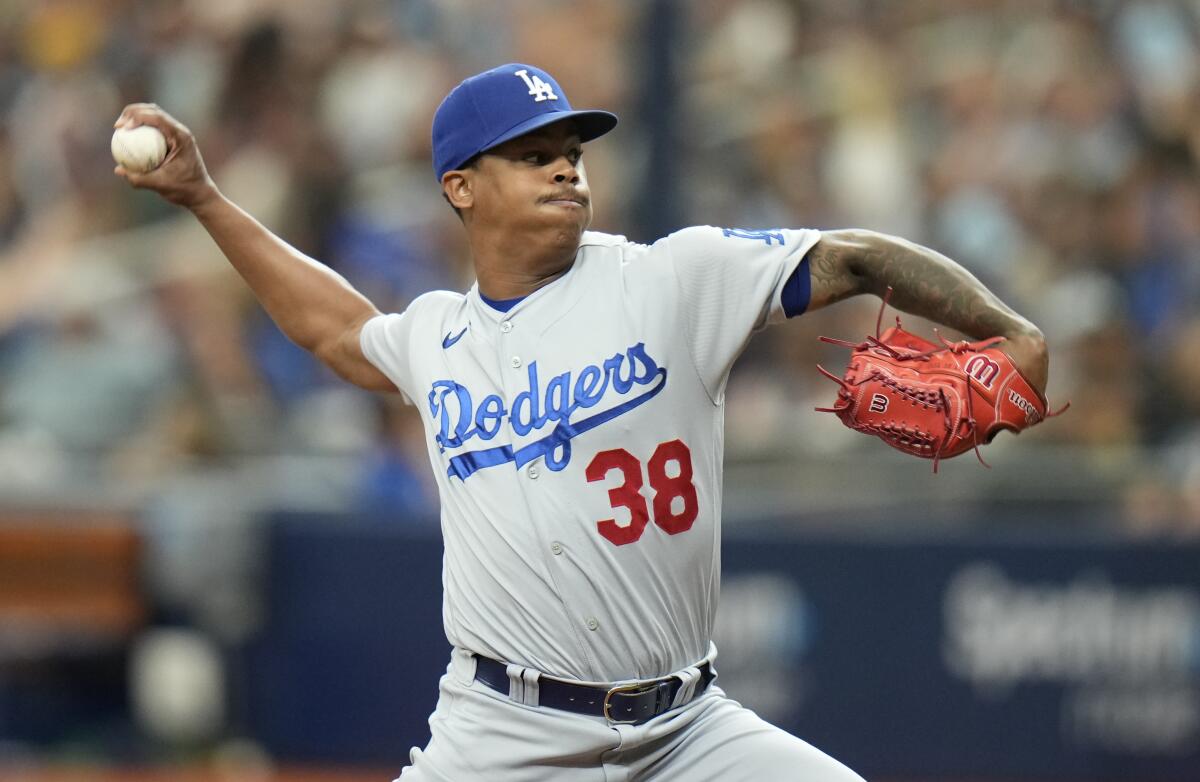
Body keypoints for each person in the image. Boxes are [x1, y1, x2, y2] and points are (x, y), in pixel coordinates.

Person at [115, 63, 1048, 781]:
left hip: (687, 730)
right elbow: (332, 326)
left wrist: (1004, 330)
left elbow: (849, 256)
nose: (566, 164)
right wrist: (202, 196)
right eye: (531, 153)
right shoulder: (438, 337)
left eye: (571, 147)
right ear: (460, 187)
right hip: (501, 733)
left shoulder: (672, 278)